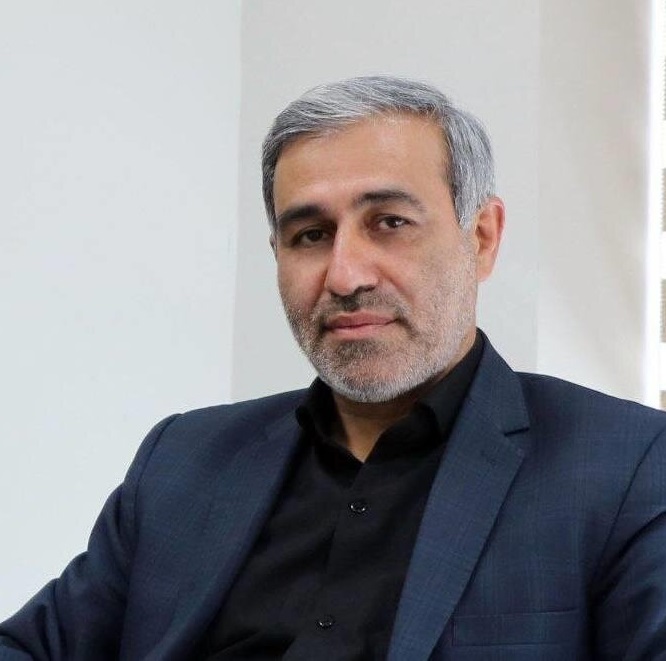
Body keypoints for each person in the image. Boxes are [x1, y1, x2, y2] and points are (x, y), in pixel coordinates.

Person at [1, 75, 665, 660]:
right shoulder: (184, 461)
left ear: (482, 237)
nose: (346, 276)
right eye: (311, 235)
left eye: (390, 223)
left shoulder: (624, 468)